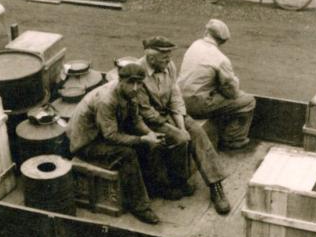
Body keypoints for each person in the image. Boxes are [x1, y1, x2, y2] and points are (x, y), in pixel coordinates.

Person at [136, 36, 232, 214]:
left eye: (169, 55)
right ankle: (178, 182)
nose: (169, 60)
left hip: (170, 112)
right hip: (150, 120)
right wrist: (174, 129)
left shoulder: (168, 66)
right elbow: (145, 111)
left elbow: (175, 95)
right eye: (164, 56)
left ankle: (215, 185)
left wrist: (180, 123)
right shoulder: (138, 73)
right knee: (180, 139)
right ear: (151, 58)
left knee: (196, 131)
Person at [66, 63, 165, 225]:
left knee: (150, 144)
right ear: (121, 81)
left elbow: (135, 120)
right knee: (128, 154)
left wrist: (150, 134)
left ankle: (154, 187)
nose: (135, 87)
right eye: (131, 83)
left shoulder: (131, 94)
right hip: (86, 143)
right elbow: (111, 135)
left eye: (139, 83)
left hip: (102, 134)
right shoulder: (107, 100)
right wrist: (141, 140)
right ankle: (139, 206)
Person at [177, 19, 255, 151]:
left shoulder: (194, 45)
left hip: (178, 100)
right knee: (248, 101)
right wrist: (234, 80)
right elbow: (232, 93)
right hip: (198, 105)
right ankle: (233, 139)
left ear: (206, 32)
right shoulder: (221, 59)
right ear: (222, 40)